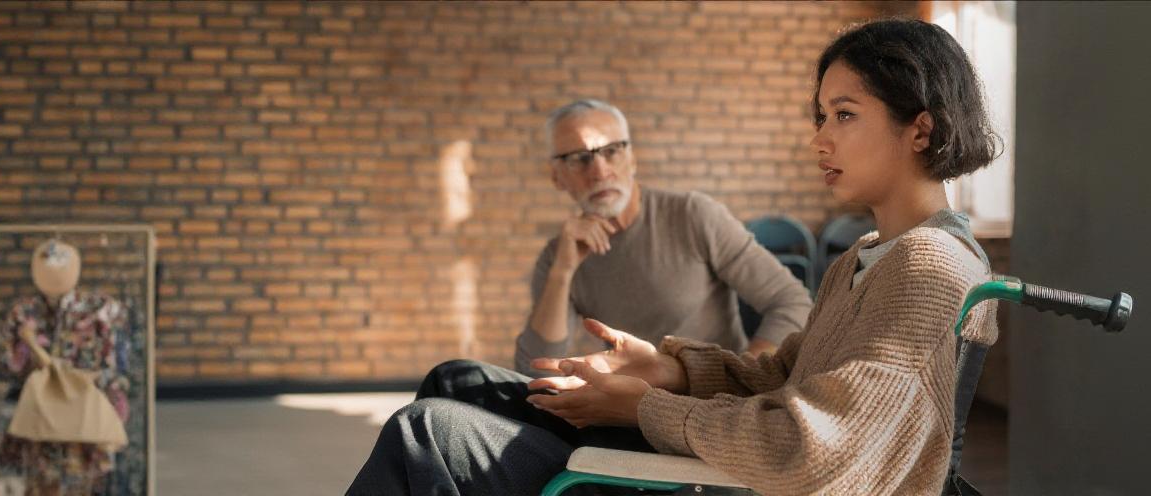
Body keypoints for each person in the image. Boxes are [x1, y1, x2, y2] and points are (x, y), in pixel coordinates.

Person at [347, 18, 1000, 495]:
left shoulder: (927, 266)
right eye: (821, 115)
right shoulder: (866, 256)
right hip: (715, 433)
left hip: (730, 473)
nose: (818, 139)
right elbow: (783, 381)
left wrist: (642, 404)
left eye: (844, 115)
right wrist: (668, 369)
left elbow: (814, 447)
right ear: (558, 176)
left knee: (424, 434)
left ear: (922, 127)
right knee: (456, 379)